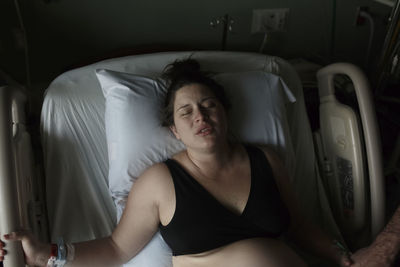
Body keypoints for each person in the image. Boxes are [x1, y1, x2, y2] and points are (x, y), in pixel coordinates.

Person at [0, 59, 353, 267]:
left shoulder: (266, 161)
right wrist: (47, 253)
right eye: (187, 112)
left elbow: (301, 228)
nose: (200, 115)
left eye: (209, 105)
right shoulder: (160, 181)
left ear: (225, 113)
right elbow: (115, 248)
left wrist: (345, 257)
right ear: (175, 131)